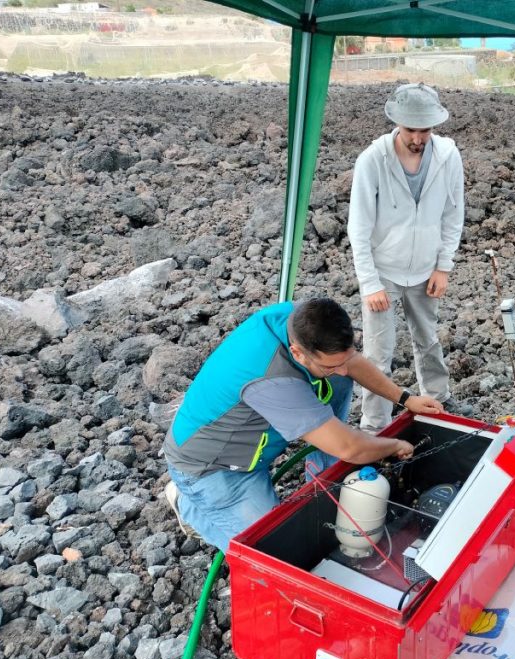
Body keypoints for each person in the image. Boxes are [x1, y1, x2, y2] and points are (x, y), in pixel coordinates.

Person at [161, 297, 444, 552]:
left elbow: (350, 362)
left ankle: (324, 480)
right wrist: (394, 445)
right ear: (297, 354)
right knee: (274, 551)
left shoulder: (302, 319)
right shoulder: (273, 378)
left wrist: (405, 398)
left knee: (337, 376)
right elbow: (351, 448)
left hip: (252, 435)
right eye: (331, 364)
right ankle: (190, 505)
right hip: (213, 468)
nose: (345, 369)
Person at [347, 82, 472, 432]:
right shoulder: (373, 160)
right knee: (377, 354)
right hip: (384, 271)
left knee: (428, 340)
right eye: (411, 130)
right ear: (397, 124)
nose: (418, 138)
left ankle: (437, 401)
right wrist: (370, 283)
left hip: (425, 269)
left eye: (425, 130)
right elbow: (358, 226)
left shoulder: (448, 157)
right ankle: (374, 426)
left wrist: (443, 266)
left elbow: (453, 213)